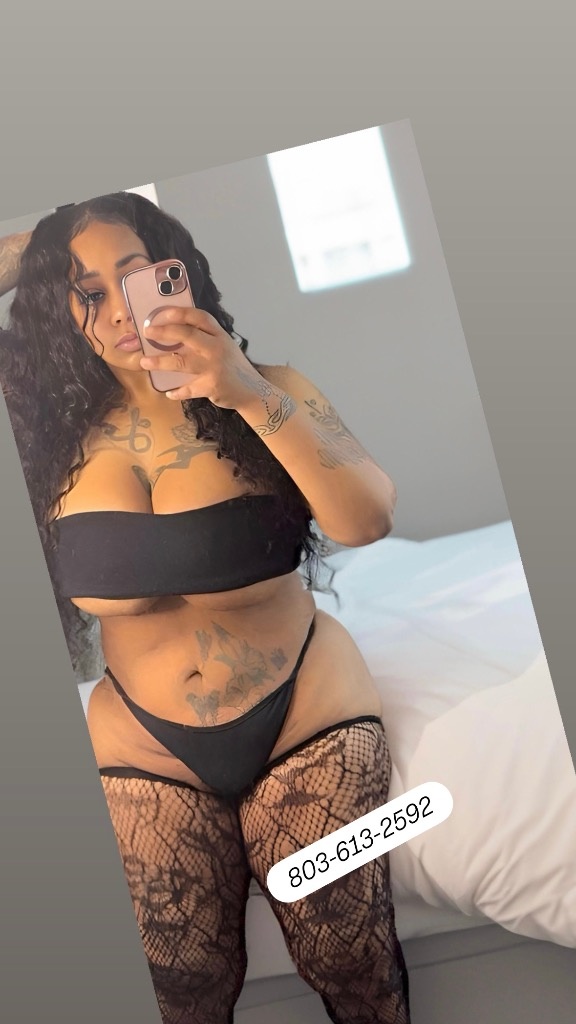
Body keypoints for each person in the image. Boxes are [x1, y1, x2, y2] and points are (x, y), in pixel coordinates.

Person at [0, 193, 410, 1024]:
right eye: (87, 293)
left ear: (174, 271)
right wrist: (37, 245)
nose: (120, 311)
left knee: (348, 954)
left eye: (133, 276)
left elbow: (368, 517)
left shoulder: (274, 388)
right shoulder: (43, 438)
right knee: (183, 985)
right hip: (141, 745)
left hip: (305, 713)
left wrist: (246, 392)